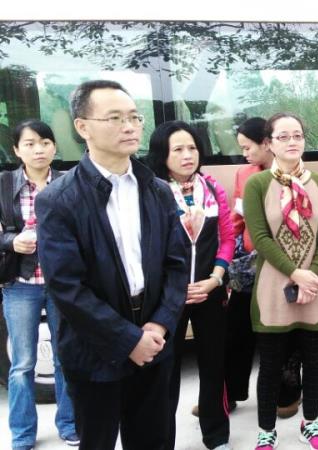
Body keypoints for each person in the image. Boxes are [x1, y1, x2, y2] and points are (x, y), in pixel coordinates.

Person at [35, 80, 188, 450]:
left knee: (154, 440)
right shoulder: (59, 199)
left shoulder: (157, 190)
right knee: (97, 441)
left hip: (154, 342)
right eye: (115, 118)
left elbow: (177, 265)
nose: (130, 126)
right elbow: (66, 287)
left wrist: (159, 325)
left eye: (135, 117)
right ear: (82, 127)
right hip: (94, 350)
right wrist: (128, 340)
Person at [243, 112, 318, 450]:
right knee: (270, 365)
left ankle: (310, 424)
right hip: (273, 289)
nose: (292, 142)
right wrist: (296, 273)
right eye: (283, 136)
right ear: (269, 143)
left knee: (314, 362)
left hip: (315, 286)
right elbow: (260, 238)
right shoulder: (257, 185)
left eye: (297, 135)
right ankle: (266, 431)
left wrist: (313, 273)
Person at [146, 120, 234, 450]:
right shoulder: (152, 192)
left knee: (214, 363)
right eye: (178, 149)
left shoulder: (212, 188)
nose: (188, 155)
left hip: (209, 291)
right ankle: (161, 440)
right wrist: (175, 287)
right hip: (169, 296)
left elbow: (228, 238)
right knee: (164, 369)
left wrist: (215, 278)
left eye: (192, 147)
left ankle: (216, 435)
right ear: (162, 154)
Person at [0, 120, 79, 449]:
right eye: (30, 144)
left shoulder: (68, 182)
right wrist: (12, 241)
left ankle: (70, 424)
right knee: (22, 365)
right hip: (21, 285)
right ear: (17, 150)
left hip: (62, 284)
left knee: (66, 358)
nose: (38, 149)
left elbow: (83, 228)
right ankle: (22, 434)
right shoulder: (4, 184)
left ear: (54, 147)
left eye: (45, 142)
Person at [224, 117, 303, 419]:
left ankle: (287, 394)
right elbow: (237, 219)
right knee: (236, 329)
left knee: (286, 331)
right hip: (250, 266)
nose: (244, 154)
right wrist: (231, 259)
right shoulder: (244, 174)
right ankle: (228, 392)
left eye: (248, 147)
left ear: (267, 143)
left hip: (285, 265)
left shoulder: (295, 174)